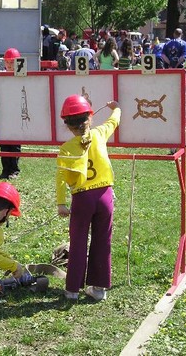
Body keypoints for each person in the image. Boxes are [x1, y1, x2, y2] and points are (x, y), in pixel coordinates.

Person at [56, 95, 121, 301]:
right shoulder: (100, 133)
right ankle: (99, 289)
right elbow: (114, 121)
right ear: (90, 118)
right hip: (104, 196)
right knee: (103, 240)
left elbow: (60, 177)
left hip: (82, 199)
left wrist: (61, 203)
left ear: (67, 125)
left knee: (77, 243)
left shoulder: (66, 148)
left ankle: (72, 290)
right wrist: (116, 108)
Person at [0, 48, 22, 180]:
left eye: (12, 62)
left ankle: (14, 169)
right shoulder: (0, 77)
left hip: (16, 114)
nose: (9, 65)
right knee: (4, 144)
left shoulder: (20, 77)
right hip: (4, 115)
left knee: (15, 144)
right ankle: (5, 169)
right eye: (7, 62)